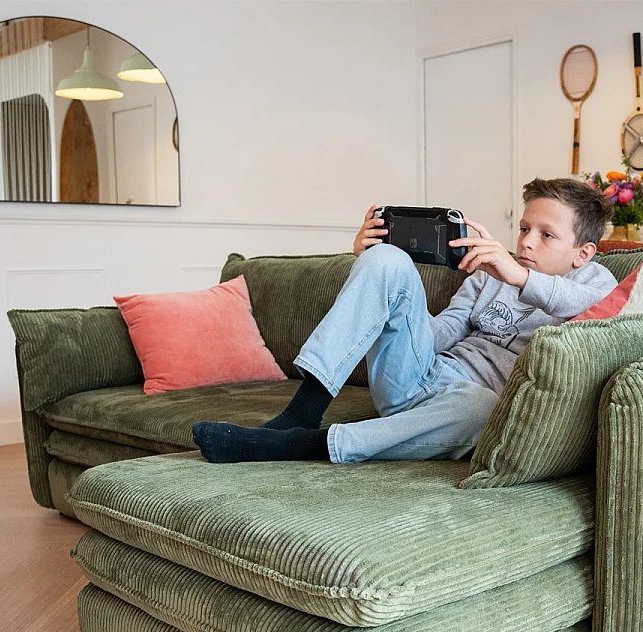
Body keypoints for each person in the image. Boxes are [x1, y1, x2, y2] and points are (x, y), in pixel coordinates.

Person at [191, 177, 617, 465]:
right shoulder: (489, 275)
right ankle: (302, 412)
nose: (525, 242)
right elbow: (444, 331)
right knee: (388, 259)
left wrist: (517, 277)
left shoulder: (597, 284)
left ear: (583, 253)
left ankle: (301, 445)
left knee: (485, 409)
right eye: (524, 228)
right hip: (421, 376)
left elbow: (579, 305)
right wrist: (385, 291)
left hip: (467, 408)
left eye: (546, 234)